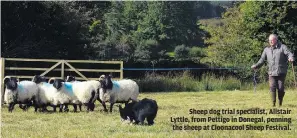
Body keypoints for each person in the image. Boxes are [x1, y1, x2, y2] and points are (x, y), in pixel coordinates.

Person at [251, 34, 294, 107]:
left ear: (276, 40)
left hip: (281, 72)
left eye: (272, 40)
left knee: (280, 88)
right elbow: (261, 60)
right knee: (272, 87)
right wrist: (256, 65)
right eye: (269, 40)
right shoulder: (266, 49)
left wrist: (290, 58)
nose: (270, 41)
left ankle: (280, 103)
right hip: (271, 72)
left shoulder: (282, 47)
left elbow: (289, 54)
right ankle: (273, 104)